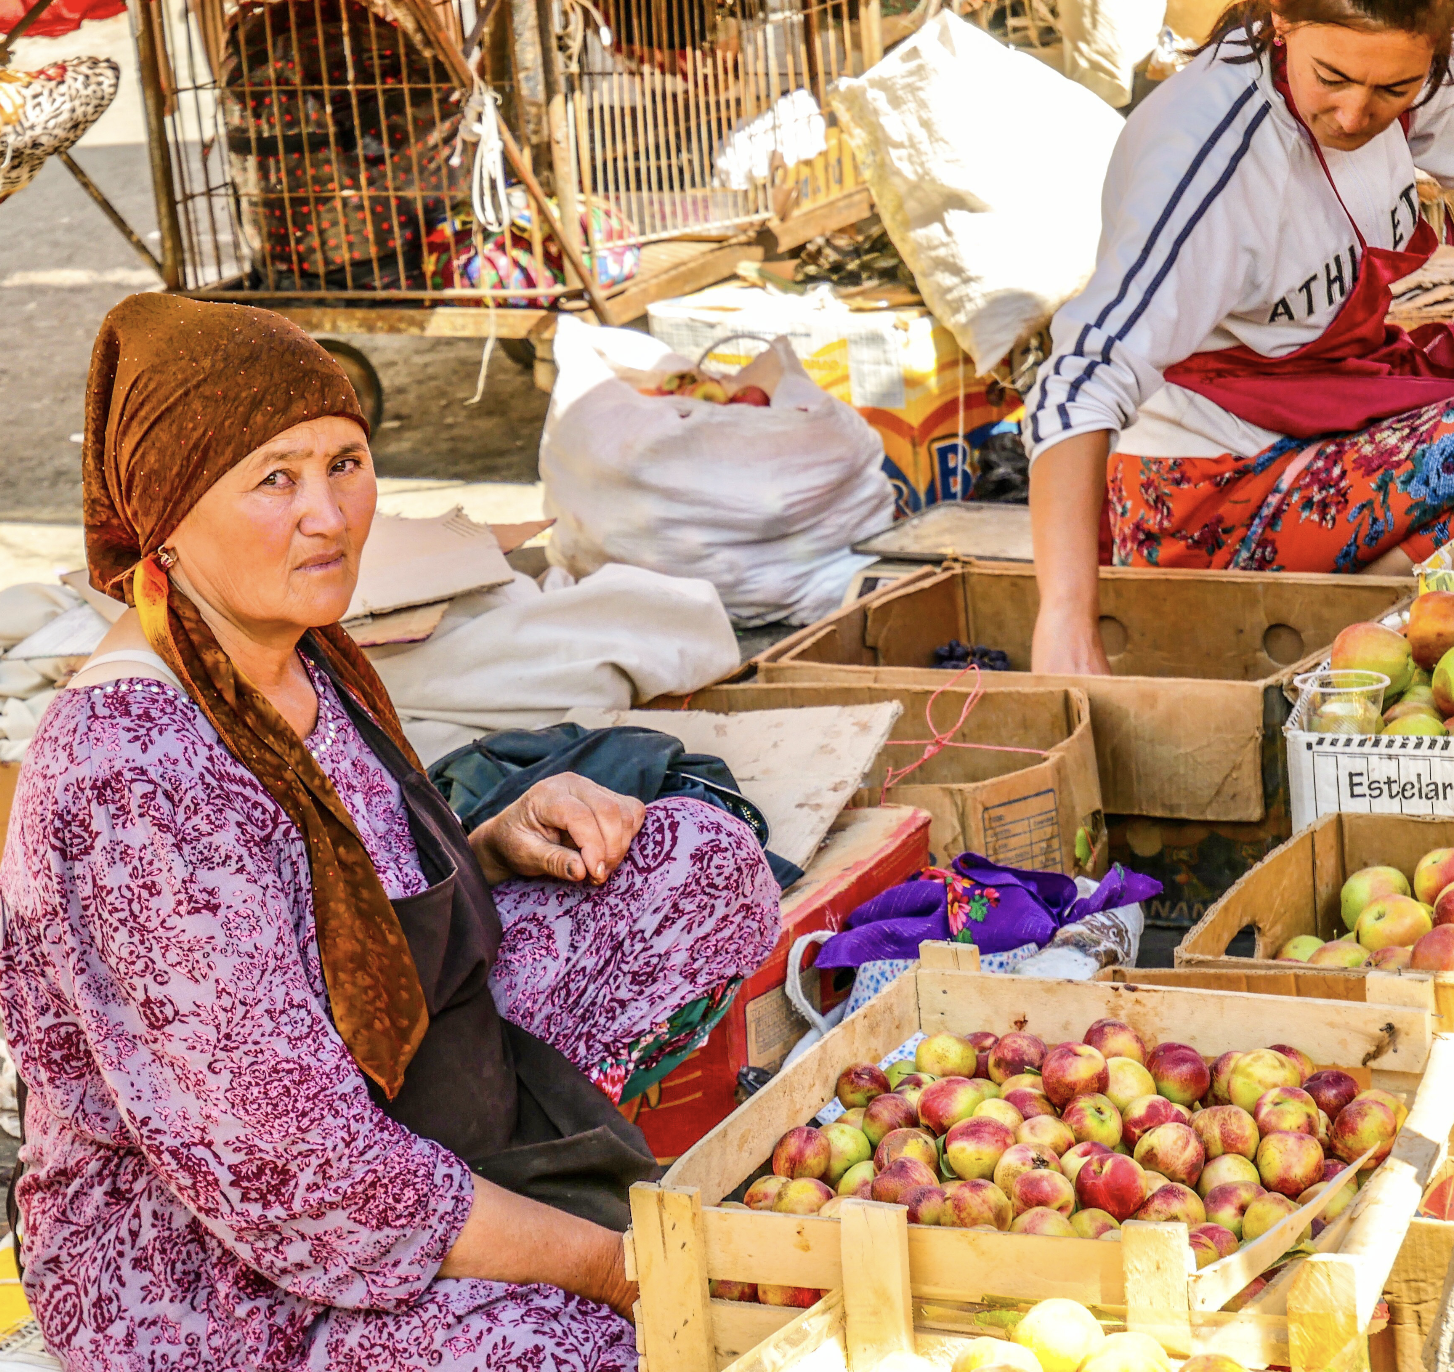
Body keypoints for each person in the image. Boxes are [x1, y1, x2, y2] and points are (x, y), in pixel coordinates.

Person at [0, 293, 781, 1370]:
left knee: (692, 865)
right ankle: (490, 1232)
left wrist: (490, 841)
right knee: (584, 1344)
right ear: (166, 515)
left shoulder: (297, 653)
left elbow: (339, 898)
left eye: (345, 463)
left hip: (390, 1091)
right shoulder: (135, 775)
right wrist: (608, 1264)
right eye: (274, 478)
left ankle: (489, 1204)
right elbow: (295, 1165)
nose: (328, 515)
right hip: (217, 1256)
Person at [1027, 0, 1454, 674]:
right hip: (1204, 495)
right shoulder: (1209, 156)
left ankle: (1367, 626)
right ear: (1282, 20)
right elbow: (1078, 383)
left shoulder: (1409, 63)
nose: (1354, 115)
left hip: (1331, 411)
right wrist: (1065, 620)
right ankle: (1326, 638)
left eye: (1393, 91)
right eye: (1332, 78)